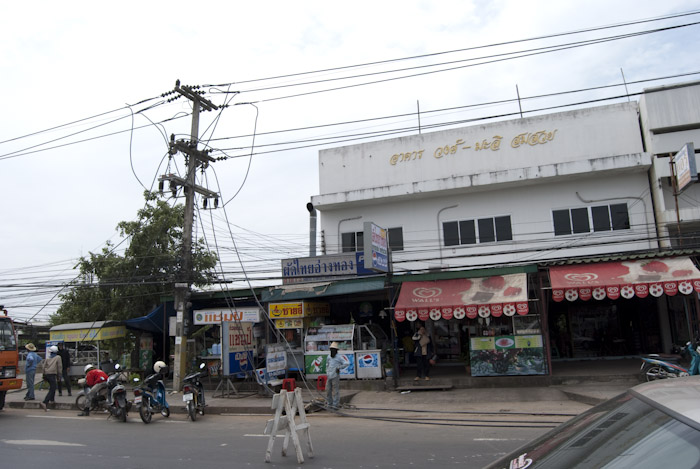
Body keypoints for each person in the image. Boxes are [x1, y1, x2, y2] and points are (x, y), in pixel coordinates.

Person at [326, 342, 349, 410]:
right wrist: (327, 371)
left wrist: (339, 367)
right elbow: (327, 364)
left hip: (335, 375)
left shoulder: (339, 357)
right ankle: (329, 404)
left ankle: (335, 405)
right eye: (331, 350)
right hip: (329, 375)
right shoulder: (329, 357)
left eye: (333, 350)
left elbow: (346, 363)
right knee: (328, 390)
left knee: (335, 391)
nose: (332, 351)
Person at [40, 345, 62, 411]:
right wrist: (59, 376)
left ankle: (52, 400)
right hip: (52, 374)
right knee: (53, 388)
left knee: (52, 386)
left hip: (46, 374)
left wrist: (43, 376)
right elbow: (59, 367)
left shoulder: (47, 358)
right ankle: (45, 402)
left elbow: (43, 367)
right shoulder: (58, 357)